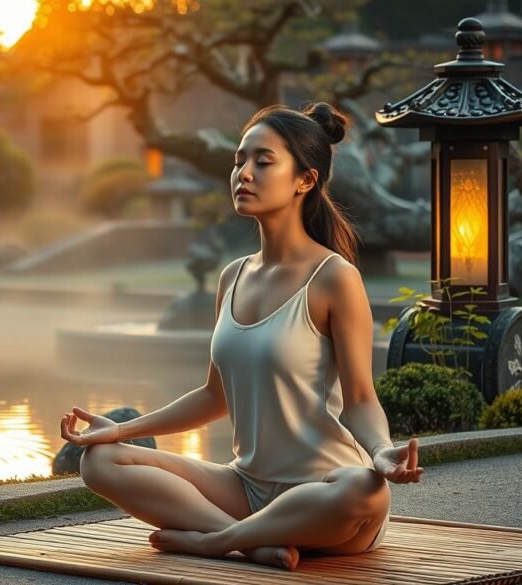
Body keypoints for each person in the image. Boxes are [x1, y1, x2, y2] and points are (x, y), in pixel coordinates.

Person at [59, 102, 424, 571]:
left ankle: (214, 541)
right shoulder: (232, 276)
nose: (243, 174)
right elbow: (215, 396)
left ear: (305, 180)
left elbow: (358, 398)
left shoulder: (334, 277)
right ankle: (248, 542)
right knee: (100, 462)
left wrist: (380, 451)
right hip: (246, 488)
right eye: (239, 161)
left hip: (327, 493)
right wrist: (124, 429)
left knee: (366, 489)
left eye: (263, 162)